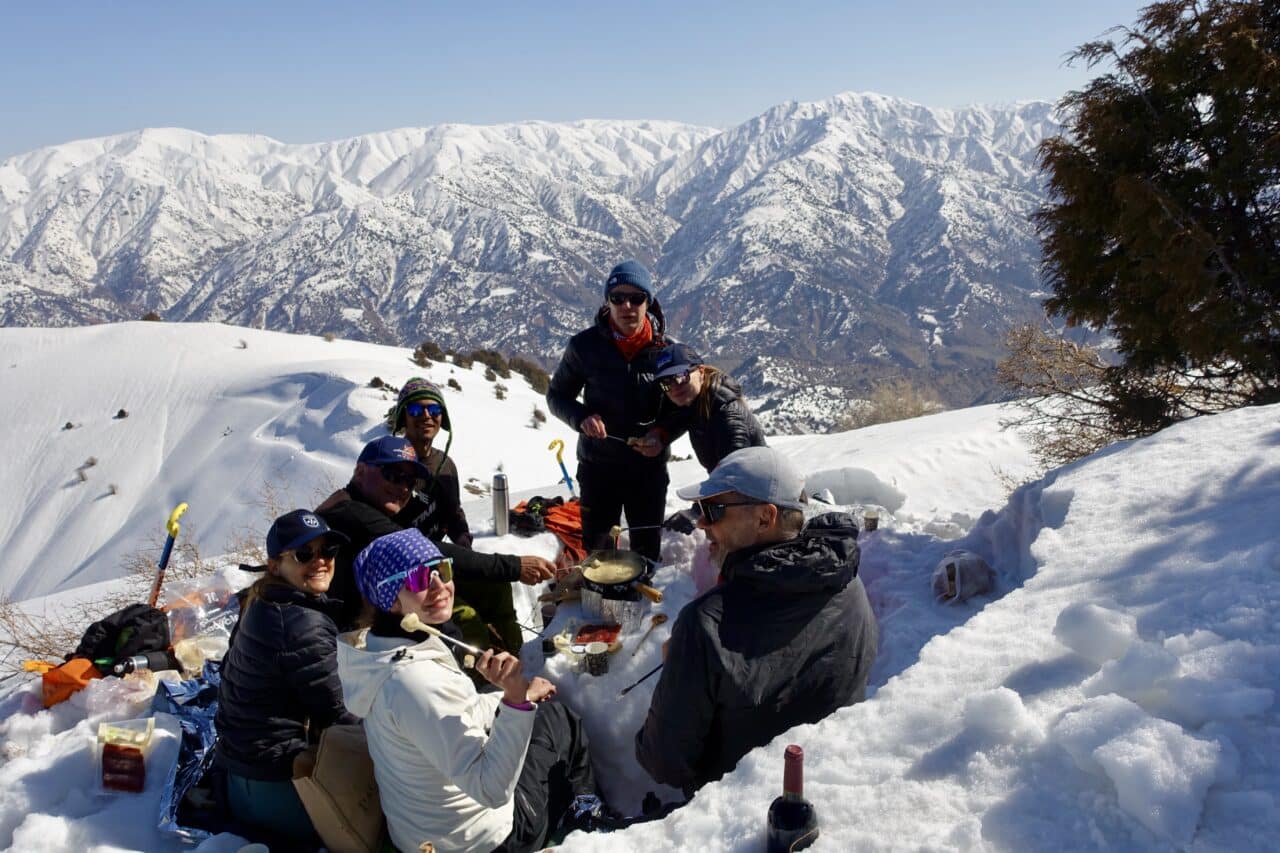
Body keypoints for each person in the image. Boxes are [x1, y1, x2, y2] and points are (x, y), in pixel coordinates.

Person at [337, 528, 604, 853]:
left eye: (442, 570)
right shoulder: (414, 681)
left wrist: (508, 698)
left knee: (540, 710)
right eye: (420, 579)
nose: (440, 587)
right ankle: (587, 818)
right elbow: (489, 790)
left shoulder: (380, 653)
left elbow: (453, 713)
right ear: (390, 598)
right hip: (484, 841)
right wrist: (516, 702)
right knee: (560, 717)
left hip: (421, 833)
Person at [634, 447, 879, 795]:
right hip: (824, 784)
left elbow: (664, 761)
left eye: (713, 510)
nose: (701, 524)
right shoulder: (849, 584)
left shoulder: (705, 625)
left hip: (732, 806)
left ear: (765, 517)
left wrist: (676, 668)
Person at [316, 435, 555, 649]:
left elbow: (448, 517)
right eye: (393, 475)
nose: (403, 487)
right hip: (365, 624)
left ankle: (518, 656)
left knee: (494, 586)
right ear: (360, 472)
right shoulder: (349, 512)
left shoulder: (374, 505)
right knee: (465, 622)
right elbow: (430, 551)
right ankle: (481, 685)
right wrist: (514, 566)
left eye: (410, 482)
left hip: (407, 593)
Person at [216, 509, 359, 846]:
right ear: (275, 565)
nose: (320, 561)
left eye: (328, 551)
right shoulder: (300, 623)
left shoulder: (262, 601)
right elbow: (338, 714)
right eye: (304, 554)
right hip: (279, 789)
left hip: (241, 776)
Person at [546, 259, 671, 561]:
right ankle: (597, 606)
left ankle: (641, 606)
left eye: (636, 298)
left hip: (648, 471)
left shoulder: (667, 350)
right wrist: (581, 418)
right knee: (598, 554)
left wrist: (661, 433)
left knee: (646, 551)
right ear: (607, 301)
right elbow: (557, 395)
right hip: (598, 467)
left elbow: (682, 408)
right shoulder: (584, 347)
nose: (627, 305)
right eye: (618, 298)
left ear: (648, 302)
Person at [649, 342, 766, 472]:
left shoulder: (727, 415)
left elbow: (735, 476)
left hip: (752, 489)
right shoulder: (696, 402)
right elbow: (679, 419)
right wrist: (659, 435)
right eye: (665, 383)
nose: (675, 387)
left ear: (701, 371)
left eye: (681, 376)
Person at [389, 377, 472, 547]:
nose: (426, 416)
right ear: (403, 417)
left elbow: (453, 512)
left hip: (438, 561)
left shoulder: (445, 465)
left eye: (434, 409)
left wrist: (462, 535)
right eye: (415, 410)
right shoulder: (387, 466)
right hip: (397, 563)